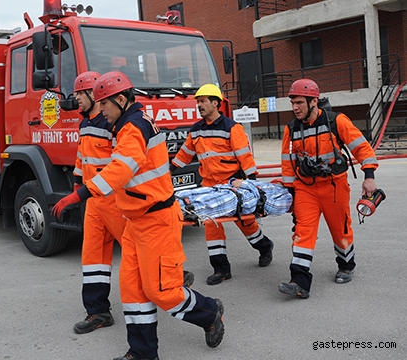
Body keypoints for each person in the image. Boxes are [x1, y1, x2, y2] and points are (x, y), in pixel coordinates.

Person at [54, 72, 224, 360]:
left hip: (156, 220)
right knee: (133, 292)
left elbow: (120, 169)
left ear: (120, 100)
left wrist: (80, 194)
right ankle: (143, 353)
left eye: (105, 104)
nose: (102, 109)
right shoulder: (127, 124)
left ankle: (209, 313)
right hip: (136, 221)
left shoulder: (132, 127)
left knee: (163, 292)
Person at [278, 78, 379, 299]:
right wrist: (289, 192)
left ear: (314, 101)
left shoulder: (336, 121)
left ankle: (346, 265)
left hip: (334, 187)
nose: (295, 108)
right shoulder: (291, 129)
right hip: (305, 189)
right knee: (302, 232)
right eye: (292, 103)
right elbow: (287, 162)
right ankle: (299, 282)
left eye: (299, 103)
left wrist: (369, 176)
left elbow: (361, 147)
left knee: (340, 229)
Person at [170, 83, 274, 285]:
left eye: (203, 101)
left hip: (231, 186)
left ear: (215, 103)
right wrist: (169, 172)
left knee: (246, 223)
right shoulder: (196, 129)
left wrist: (251, 185)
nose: (199, 105)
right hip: (209, 187)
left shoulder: (231, 128)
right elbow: (185, 154)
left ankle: (264, 246)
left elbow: (245, 157)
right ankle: (221, 269)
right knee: (212, 225)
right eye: (198, 102)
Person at [70, 71, 126, 334]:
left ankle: (172, 278)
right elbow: (82, 157)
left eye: (80, 93)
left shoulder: (112, 124)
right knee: (92, 258)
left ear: (93, 94)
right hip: (94, 202)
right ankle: (98, 312)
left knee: (138, 248)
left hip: (115, 200)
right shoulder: (84, 124)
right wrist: (77, 184)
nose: (76, 99)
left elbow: (121, 165)